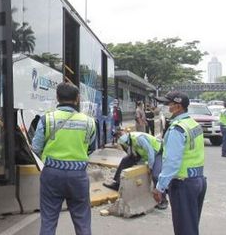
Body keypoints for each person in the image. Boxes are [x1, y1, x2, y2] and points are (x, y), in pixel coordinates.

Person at [31, 82, 96, 235]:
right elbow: (91, 148)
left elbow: (35, 147)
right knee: (82, 220)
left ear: (57, 97)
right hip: (78, 176)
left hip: (52, 175)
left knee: (48, 220)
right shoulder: (89, 122)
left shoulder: (47, 119)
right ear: (78, 99)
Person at [154, 91, 207, 235]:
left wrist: (160, 187)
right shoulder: (193, 124)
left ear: (177, 107)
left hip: (183, 184)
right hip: (198, 180)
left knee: (184, 230)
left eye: (166, 104)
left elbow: (171, 162)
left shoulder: (177, 129)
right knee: (190, 227)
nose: (163, 107)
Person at [102, 129, 168, 209]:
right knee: (125, 160)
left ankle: (163, 200)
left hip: (157, 152)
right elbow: (134, 155)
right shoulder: (130, 141)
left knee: (155, 175)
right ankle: (117, 184)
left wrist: (150, 167)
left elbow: (150, 153)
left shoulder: (139, 138)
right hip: (146, 155)